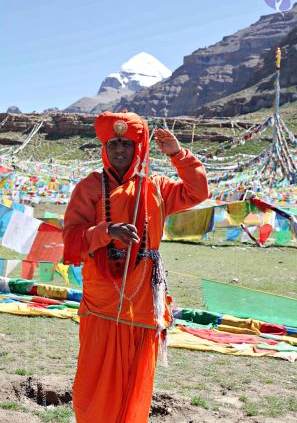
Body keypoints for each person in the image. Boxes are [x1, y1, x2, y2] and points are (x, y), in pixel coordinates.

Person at [63, 111, 210, 423]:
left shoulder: (157, 187)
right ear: (105, 147)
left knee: (136, 376)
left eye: (127, 144)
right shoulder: (88, 188)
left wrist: (177, 155)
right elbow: (72, 238)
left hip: (144, 297)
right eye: (114, 143)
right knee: (93, 377)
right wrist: (106, 231)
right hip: (101, 299)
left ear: (138, 149)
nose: (120, 149)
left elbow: (198, 191)